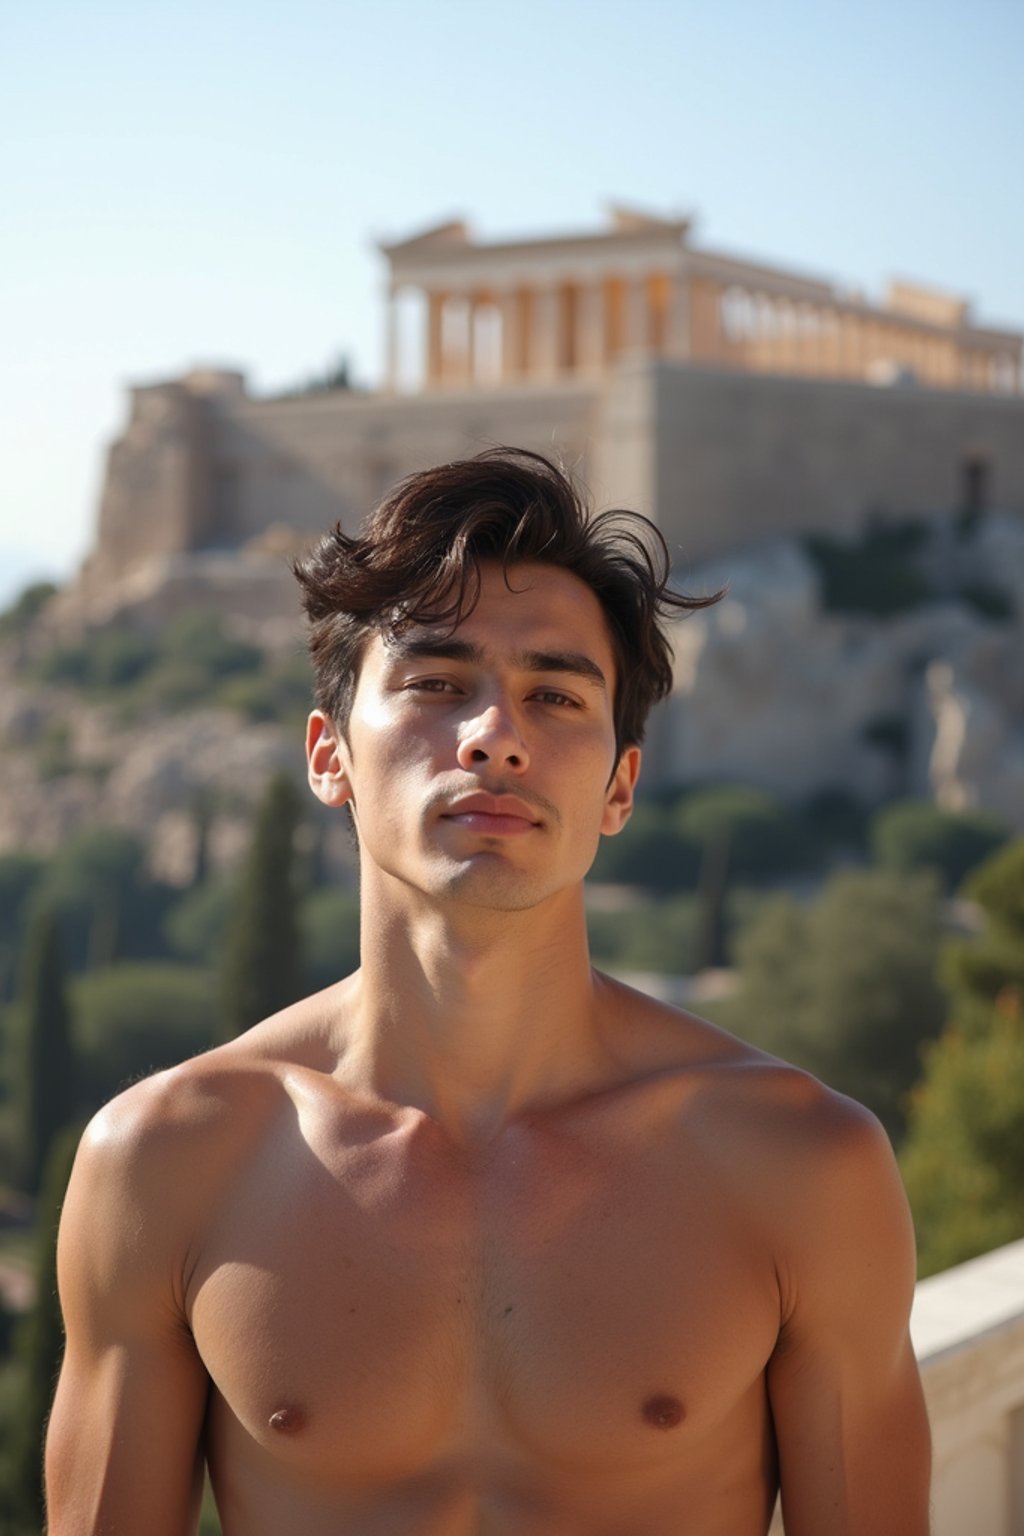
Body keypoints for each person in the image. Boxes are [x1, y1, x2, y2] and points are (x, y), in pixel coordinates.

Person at [46, 448, 931, 1535]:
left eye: (554, 695)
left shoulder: (801, 1166)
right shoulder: (167, 1159)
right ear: (329, 757)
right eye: (433, 683)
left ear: (618, 787)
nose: (494, 738)